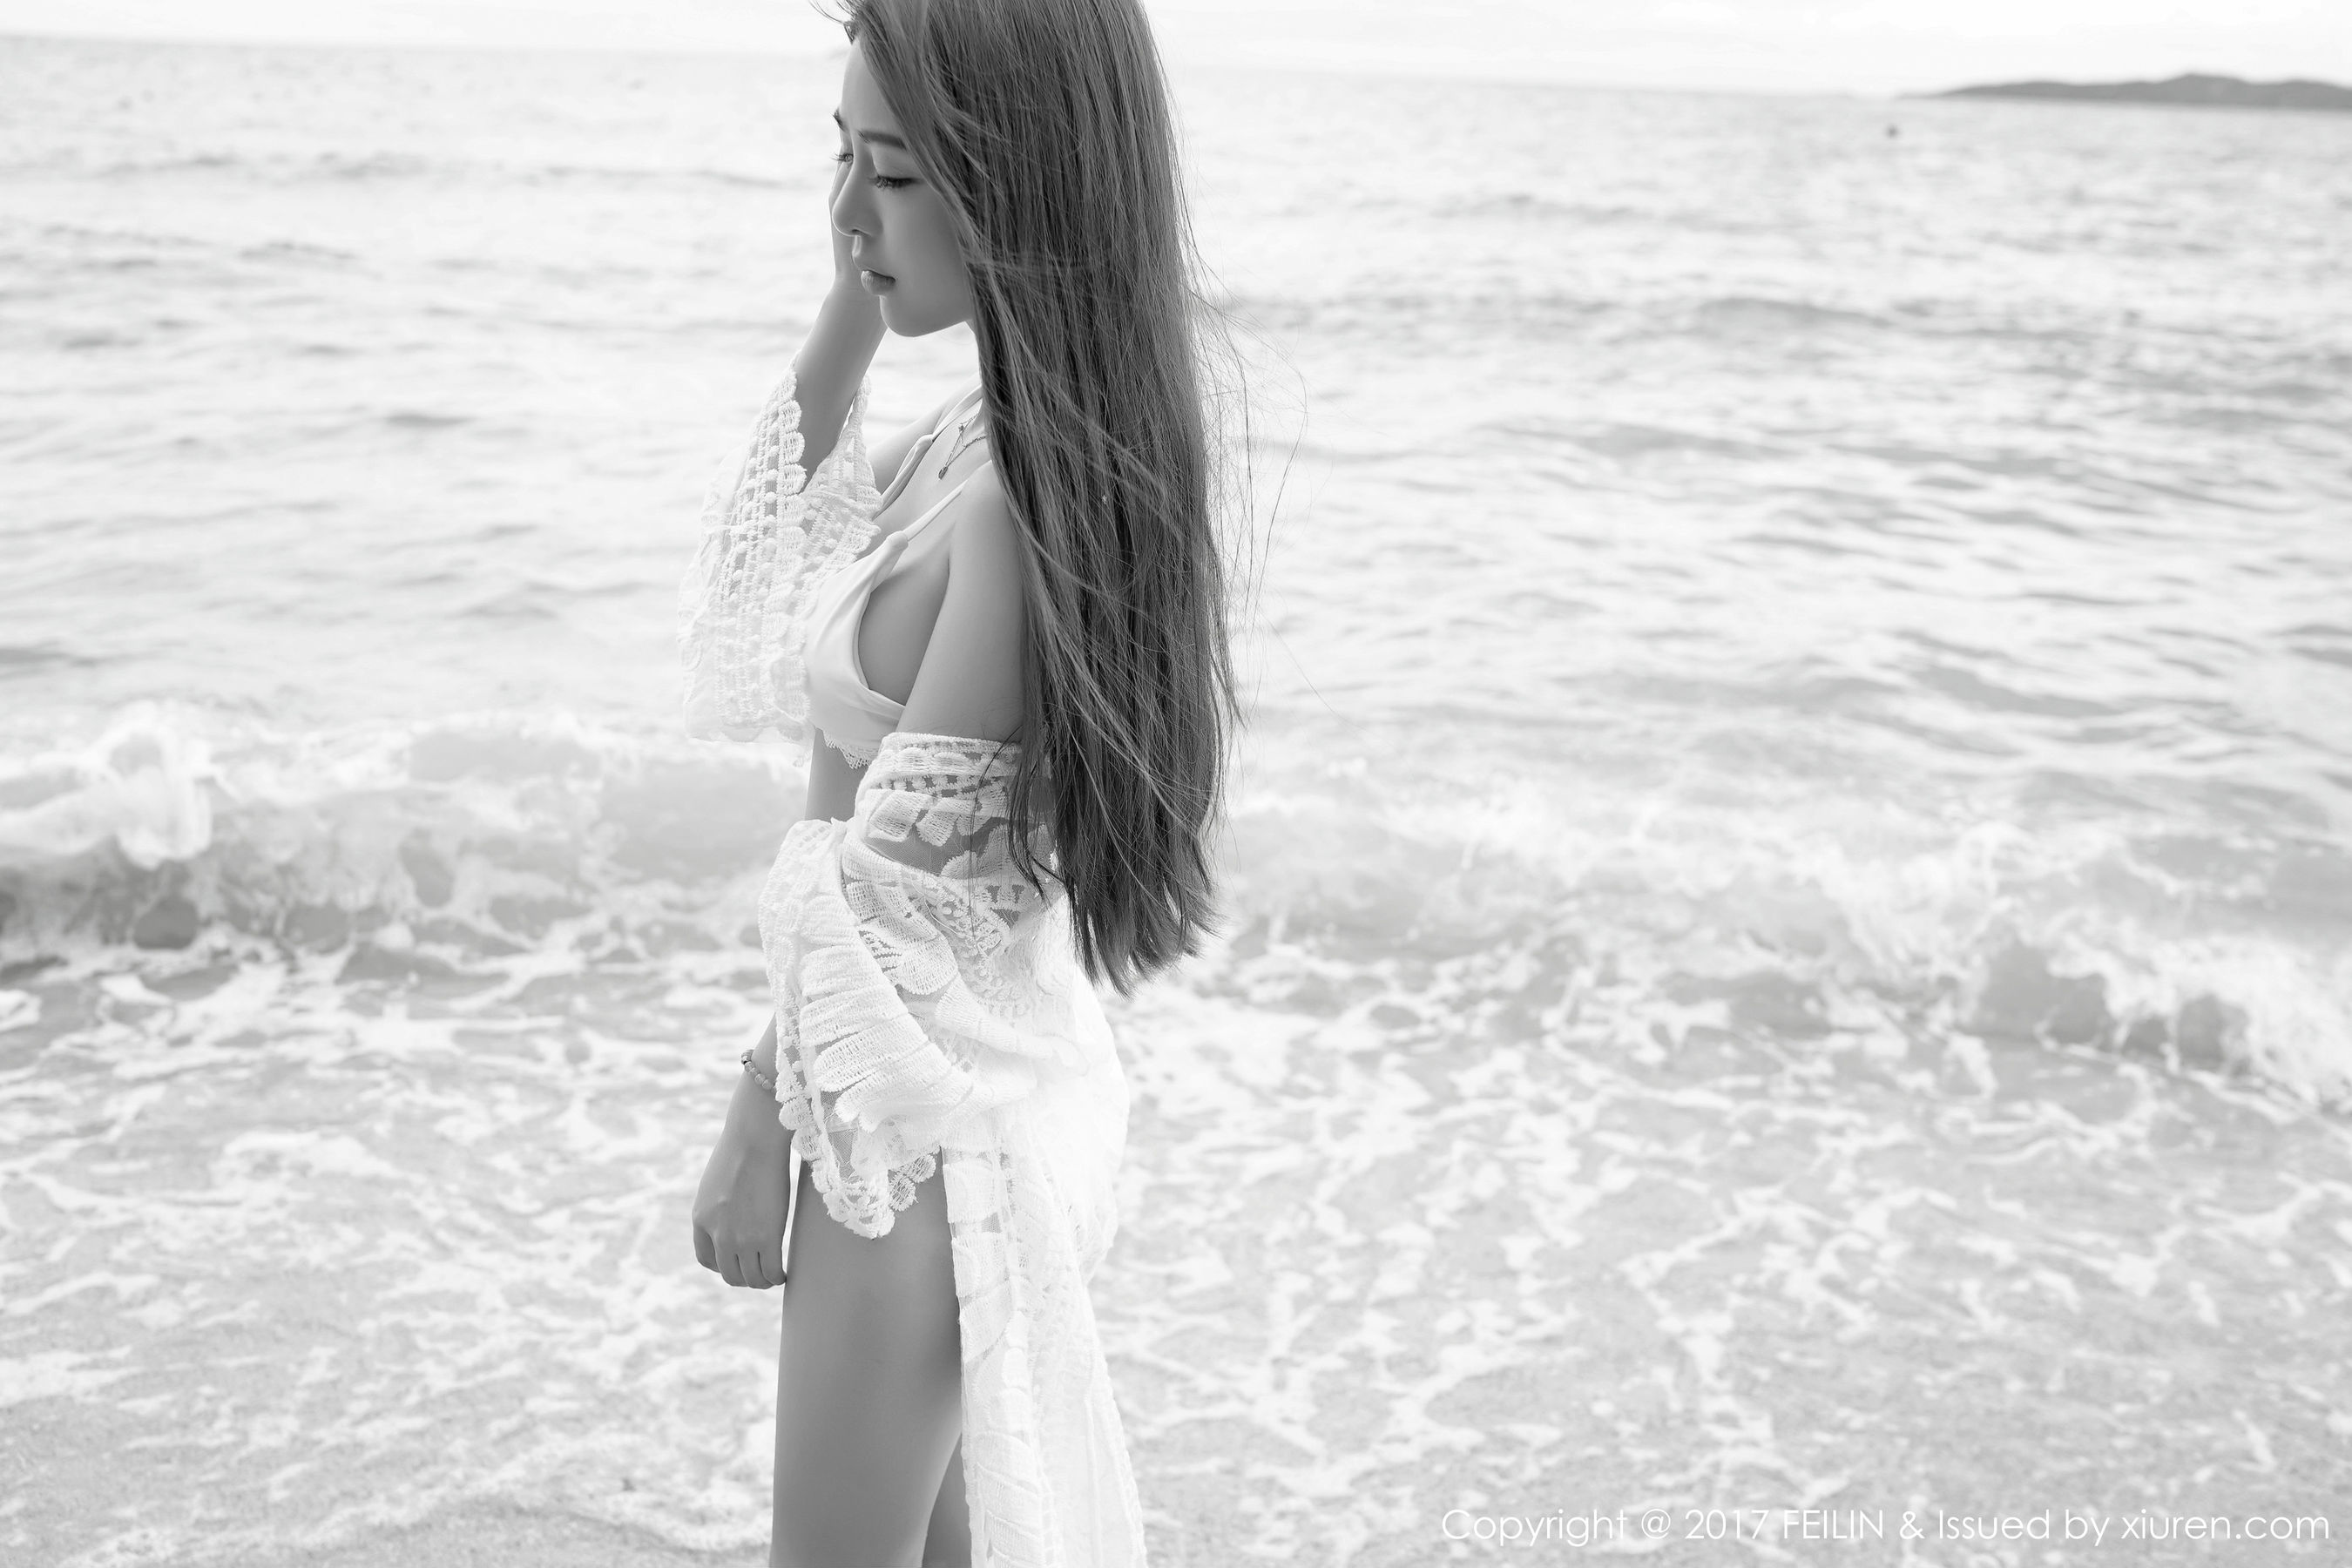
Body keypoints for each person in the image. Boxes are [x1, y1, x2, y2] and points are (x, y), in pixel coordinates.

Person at [674, 1, 1241, 1564]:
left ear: (1022, 186)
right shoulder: (969, 443)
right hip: (925, 1092)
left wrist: (756, 1117)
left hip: (926, 1144)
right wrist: (854, 304)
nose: (850, 210)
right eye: (840, 158)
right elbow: (745, 618)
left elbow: (886, 896)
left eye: (900, 174)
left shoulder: (1010, 513)